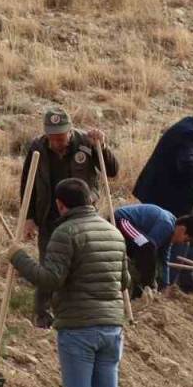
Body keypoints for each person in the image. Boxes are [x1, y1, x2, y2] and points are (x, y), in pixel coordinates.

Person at [10, 179, 129, 387]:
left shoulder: (65, 232)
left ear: (60, 205)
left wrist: (18, 258)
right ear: (89, 199)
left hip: (78, 329)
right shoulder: (113, 233)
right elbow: (124, 281)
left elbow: (50, 280)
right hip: (112, 328)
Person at [20, 109, 118, 328]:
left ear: (70, 130)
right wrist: (28, 217)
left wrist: (102, 147)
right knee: (48, 265)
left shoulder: (87, 142)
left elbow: (111, 171)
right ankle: (42, 316)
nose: (56, 142)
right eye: (52, 138)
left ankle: (78, 311)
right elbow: (27, 182)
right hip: (49, 215)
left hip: (81, 216)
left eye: (60, 137)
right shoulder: (38, 146)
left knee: (81, 264)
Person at [133, 103, 193, 292]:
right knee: (183, 235)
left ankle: (177, 281)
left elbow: (181, 167)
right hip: (163, 195)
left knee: (192, 230)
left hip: (167, 192)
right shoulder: (188, 133)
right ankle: (168, 285)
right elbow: (186, 165)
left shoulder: (189, 127)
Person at [113, 204, 193, 299]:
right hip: (122, 220)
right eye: (186, 240)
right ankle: (145, 289)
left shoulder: (170, 233)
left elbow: (164, 260)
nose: (182, 243)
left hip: (136, 232)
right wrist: (152, 283)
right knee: (148, 248)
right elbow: (149, 251)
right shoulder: (167, 225)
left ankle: (142, 289)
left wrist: (165, 286)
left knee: (148, 250)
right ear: (183, 229)